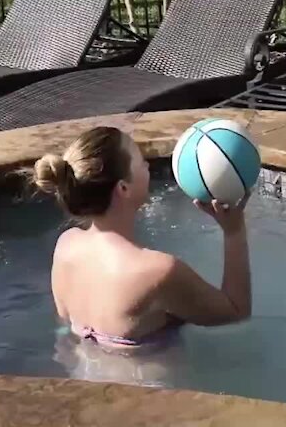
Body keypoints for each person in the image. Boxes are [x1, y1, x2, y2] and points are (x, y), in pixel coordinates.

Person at [35, 126, 252, 353]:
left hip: (83, 376)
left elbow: (65, 329)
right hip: (151, 386)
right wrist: (234, 231)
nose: (148, 165)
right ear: (123, 188)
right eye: (140, 162)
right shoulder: (157, 271)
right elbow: (237, 311)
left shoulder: (66, 246)